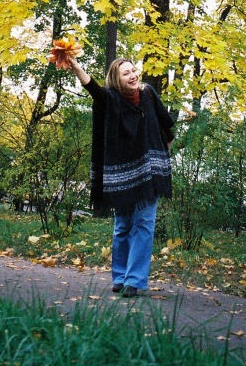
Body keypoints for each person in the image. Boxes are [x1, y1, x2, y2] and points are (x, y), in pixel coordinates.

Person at [67, 55, 174, 298]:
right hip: (123, 172)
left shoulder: (147, 93)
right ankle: (120, 277)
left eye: (134, 71)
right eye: (126, 73)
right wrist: (75, 66)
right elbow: (93, 89)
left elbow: (164, 122)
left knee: (144, 224)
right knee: (123, 226)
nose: (133, 75)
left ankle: (134, 281)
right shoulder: (111, 98)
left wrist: (163, 144)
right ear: (116, 79)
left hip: (150, 168)